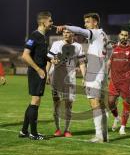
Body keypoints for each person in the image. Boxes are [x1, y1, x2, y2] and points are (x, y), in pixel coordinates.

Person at [56, 13, 110, 143]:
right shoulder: (104, 35)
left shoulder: (95, 32)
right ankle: (105, 135)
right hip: (102, 72)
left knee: (94, 103)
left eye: (87, 22)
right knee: (101, 104)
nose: (85, 24)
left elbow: (80, 31)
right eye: (85, 22)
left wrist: (65, 26)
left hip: (95, 72)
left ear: (95, 23)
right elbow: (110, 50)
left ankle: (99, 136)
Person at [19, 11, 53, 140]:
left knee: (33, 101)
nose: (52, 23)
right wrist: (38, 69)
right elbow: (25, 55)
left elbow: (40, 55)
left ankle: (23, 131)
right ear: (43, 22)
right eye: (50, 21)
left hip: (40, 71)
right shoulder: (35, 36)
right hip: (36, 73)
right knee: (36, 101)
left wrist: (50, 60)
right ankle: (33, 133)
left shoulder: (42, 37)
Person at [47, 28, 86, 137]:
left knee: (68, 104)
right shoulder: (56, 44)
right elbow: (49, 59)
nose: (65, 34)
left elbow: (82, 63)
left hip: (70, 79)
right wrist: (47, 74)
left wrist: (84, 77)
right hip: (56, 78)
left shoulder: (78, 46)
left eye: (68, 32)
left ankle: (67, 130)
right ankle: (57, 129)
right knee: (56, 103)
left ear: (73, 34)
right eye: (64, 32)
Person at [107, 28, 130, 135]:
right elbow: (109, 62)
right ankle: (117, 117)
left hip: (126, 82)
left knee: (126, 104)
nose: (124, 37)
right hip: (114, 81)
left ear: (128, 37)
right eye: (122, 35)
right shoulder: (114, 48)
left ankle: (123, 127)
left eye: (126, 35)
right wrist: (106, 74)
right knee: (110, 103)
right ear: (119, 35)